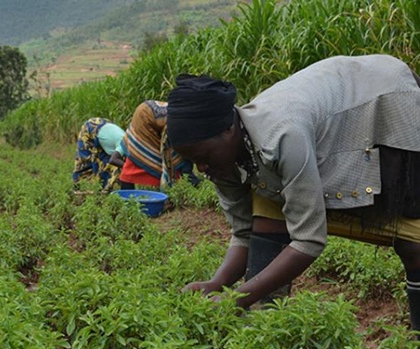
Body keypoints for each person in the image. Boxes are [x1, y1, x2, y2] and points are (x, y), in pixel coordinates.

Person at [167, 54, 420, 333]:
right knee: (266, 214)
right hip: (332, 109)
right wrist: (217, 284)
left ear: (228, 130)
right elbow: (244, 233)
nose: (201, 168)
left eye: (203, 157)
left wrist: (235, 298)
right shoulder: (220, 160)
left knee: (412, 239)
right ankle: (265, 328)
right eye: (194, 161)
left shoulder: (282, 135)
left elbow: (310, 240)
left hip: (383, 96)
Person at [120, 100, 200, 191]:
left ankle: (126, 197)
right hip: (145, 120)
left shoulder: (185, 120)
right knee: (174, 160)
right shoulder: (181, 124)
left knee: (134, 161)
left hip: (145, 114)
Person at [72, 117, 126, 192]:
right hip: (91, 129)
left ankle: (106, 191)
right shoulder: (124, 145)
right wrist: (128, 167)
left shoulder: (132, 145)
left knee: (107, 166)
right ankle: (78, 190)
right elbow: (113, 160)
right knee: (84, 164)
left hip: (106, 129)